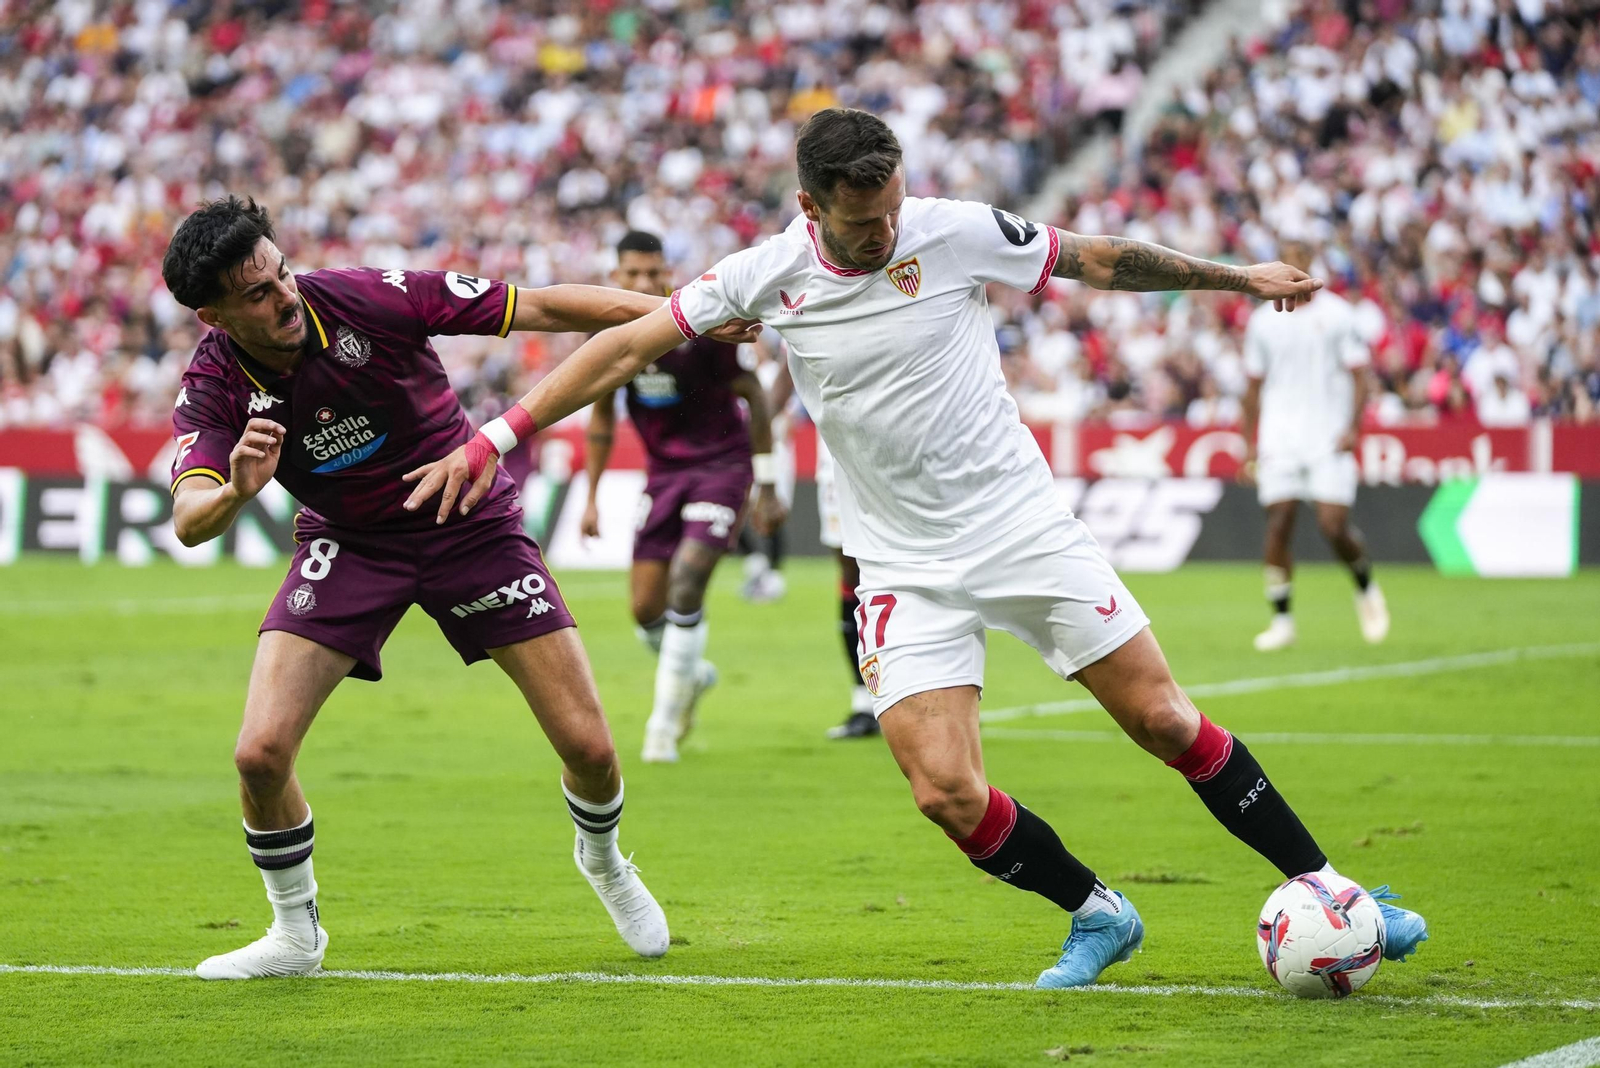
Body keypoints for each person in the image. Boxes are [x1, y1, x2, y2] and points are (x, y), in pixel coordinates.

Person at [403, 110, 1429, 989]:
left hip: (1022, 528)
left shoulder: (954, 231)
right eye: (863, 221)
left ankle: (1333, 890)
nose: (887, 229)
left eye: (893, 207)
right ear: (810, 209)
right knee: (943, 790)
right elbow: (623, 348)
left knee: (1163, 719)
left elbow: (1100, 260)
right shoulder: (762, 276)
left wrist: (1238, 279)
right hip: (899, 565)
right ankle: (1097, 912)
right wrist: (496, 437)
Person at [162, 196, 752, 979]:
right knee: (259, 755)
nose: (285, 297)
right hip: (351, 544)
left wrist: (686, 314)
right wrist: (237, 490)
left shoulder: (370, 296)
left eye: (282, 274)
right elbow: (189, 520)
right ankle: (296, 936)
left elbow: (542, 307)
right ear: (213, 316)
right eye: (259, 295)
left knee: (590, 749)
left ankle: (604, 860)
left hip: (471, 522)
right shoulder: (213, 384)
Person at [579, 230, 786, 763]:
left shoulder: (700, 324)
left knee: (687, 582)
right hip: (663, 475)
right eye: (633, 274)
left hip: (721, 467)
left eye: (654, 273)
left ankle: (663, 728)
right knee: (645, 608)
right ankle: (693, 674)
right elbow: (601, 418)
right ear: (615, 277)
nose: (645, 281)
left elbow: (753, 394)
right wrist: (592, 496)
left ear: (668, 274)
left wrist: (765, 483)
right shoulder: (608, 333)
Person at [1239, 239, 1389, 652]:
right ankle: (1282, 621)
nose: (1295, 266)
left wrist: (1353, 428)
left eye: (1301, 260)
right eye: (1288, 260)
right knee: (1279, 520)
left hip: (1327, 435)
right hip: (1279, 437)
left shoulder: (1338, 315)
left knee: (1332, 526)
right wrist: (1248, 444)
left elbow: (1360, 377)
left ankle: (1365, 585)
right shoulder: (1262, 321)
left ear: (1310, 265)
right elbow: (1252, 387)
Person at [767, 358, 877, 738]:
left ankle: (943, 689)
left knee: (917, 568)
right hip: (834, 461)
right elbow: (786, 374)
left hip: (896, 449)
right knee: (851, 575)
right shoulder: (802, 320)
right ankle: (865, 702)